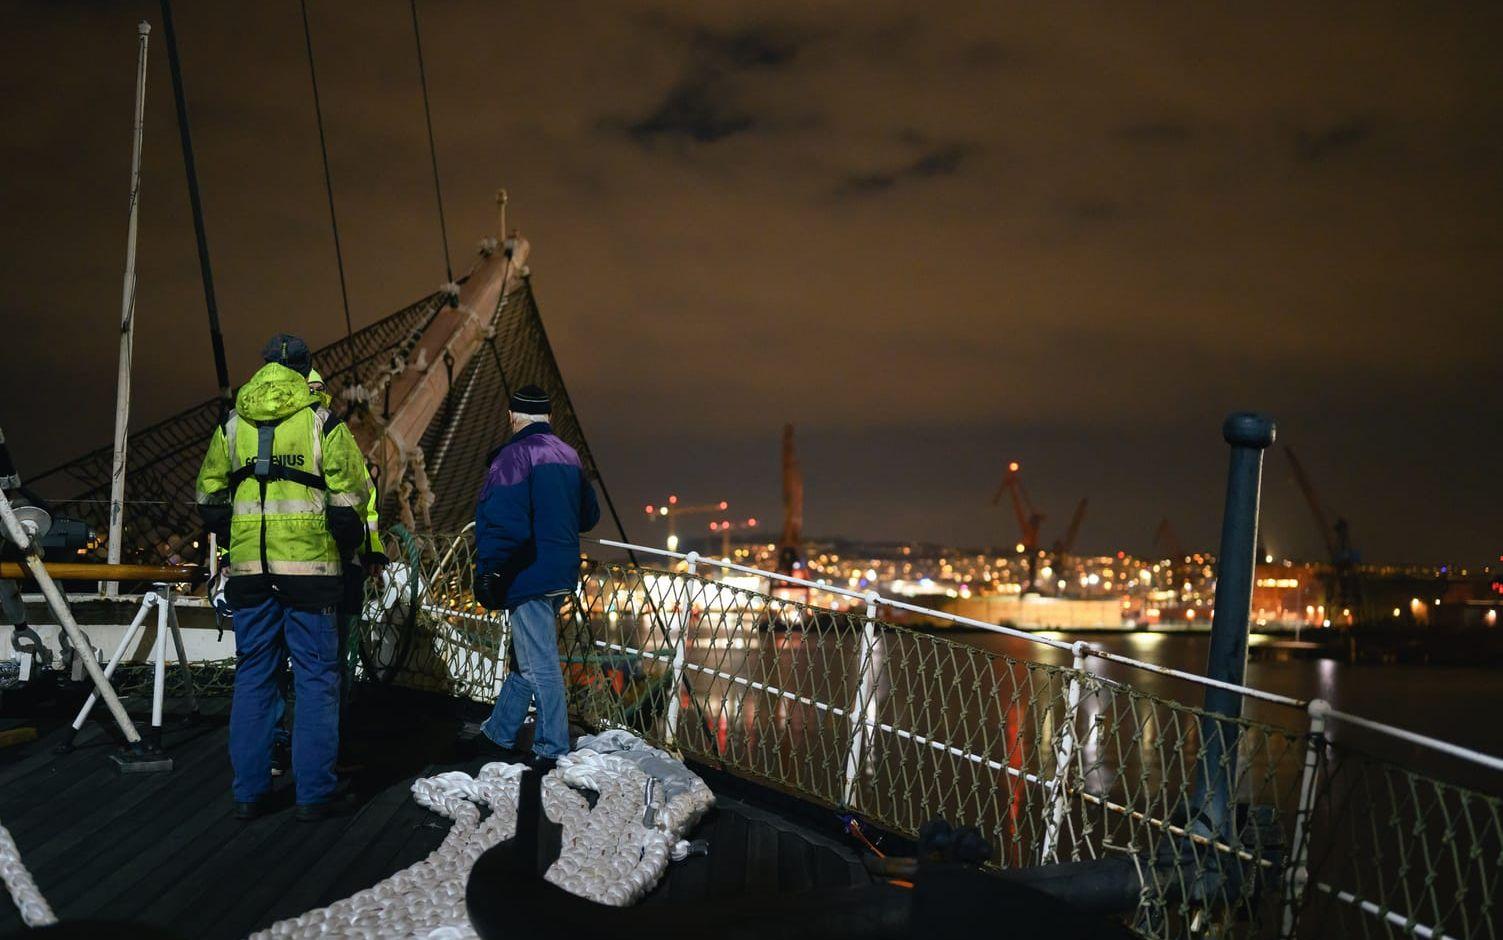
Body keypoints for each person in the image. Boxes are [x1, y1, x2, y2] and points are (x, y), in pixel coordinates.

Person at [195, 333, 371, 820]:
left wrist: (238, 528)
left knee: (254, 677)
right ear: (305, 370)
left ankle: (249, 792)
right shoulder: (322, 423)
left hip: (250, 571)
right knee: (316, 679)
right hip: (311, 572)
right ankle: (315, 793)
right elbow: (354, 493)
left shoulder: (232, 425)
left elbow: (208, 496)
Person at [474, 385, 599, 769]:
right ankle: (500, 730)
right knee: (526, 654)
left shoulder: (515, 455)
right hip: (561, 569)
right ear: (549, 417)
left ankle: (551, 745)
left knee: (538, 662)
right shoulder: (569, 455)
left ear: (513, 416)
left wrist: (490, 570)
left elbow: (504, 521)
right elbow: (589, 516)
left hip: (527, 571)